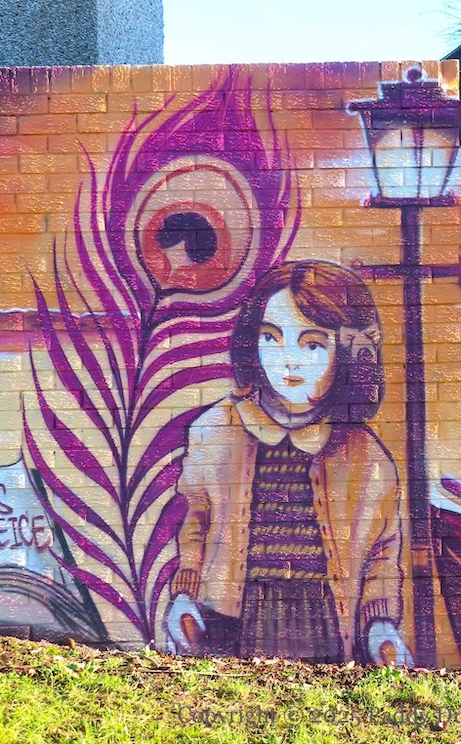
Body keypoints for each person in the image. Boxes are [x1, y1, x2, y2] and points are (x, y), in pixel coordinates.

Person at [164, 260, 412, 665]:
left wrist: (380, 624)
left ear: (349, 354)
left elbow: (382, 552)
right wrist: (184, 596)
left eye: (312, 344)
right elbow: (195, 522)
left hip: (324, 621)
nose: (288, 360)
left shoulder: (364, 456)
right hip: (229, 615)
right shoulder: (217, 430)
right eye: (271, 338)